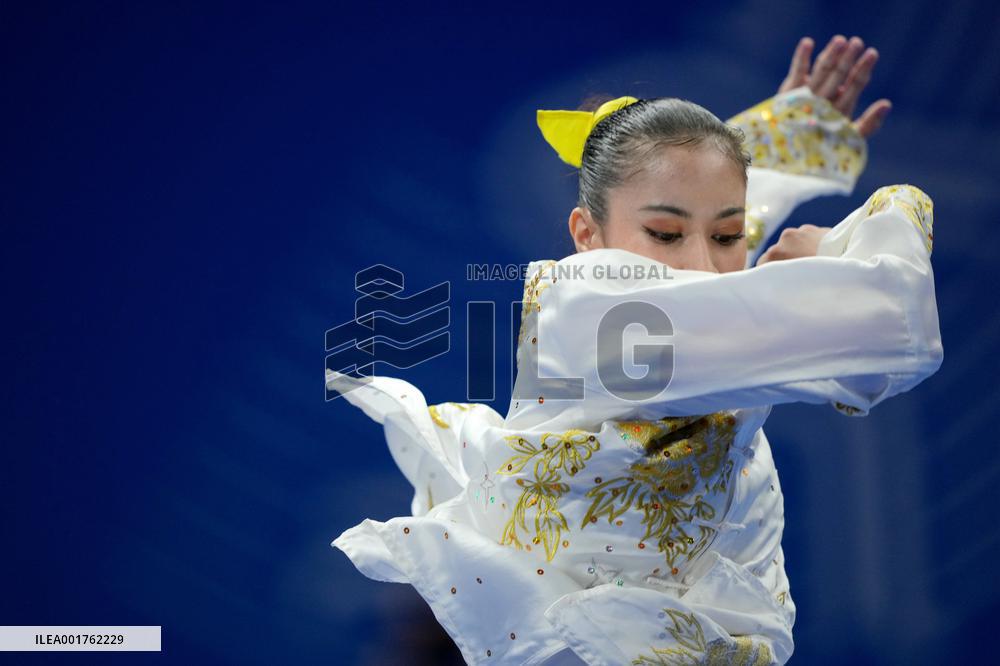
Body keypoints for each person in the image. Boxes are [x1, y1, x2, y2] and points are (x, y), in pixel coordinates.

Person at [327, 36, 941, 665]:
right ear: (585, 235)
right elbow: (890, 332)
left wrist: (784, 142)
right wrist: (832, 255)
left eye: (728, 236)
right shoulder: (613, 319)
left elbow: (700, 238)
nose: (704, 265)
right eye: (665, 235)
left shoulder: (668, 295)